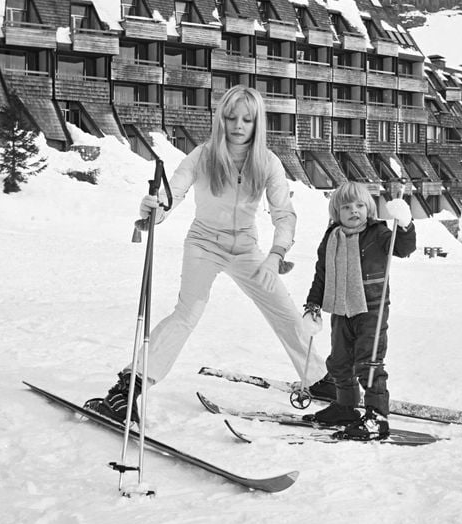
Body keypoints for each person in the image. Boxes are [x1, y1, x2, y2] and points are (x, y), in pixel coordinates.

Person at [90, 85, 326, 424]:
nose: (238, 125)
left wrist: (276, 254)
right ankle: (126, 391)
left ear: (257, 122)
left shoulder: (268, 162)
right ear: (221, 119)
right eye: (231, 117)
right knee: (187, 313)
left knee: (284, 310)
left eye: (247, 119)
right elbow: (175, 192)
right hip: (204, 243)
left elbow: (284, 214)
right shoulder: (202, 155)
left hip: (246, 246)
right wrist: (156, 211)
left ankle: (319, 378)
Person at [300, 181, 416, 438]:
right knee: (339, 361)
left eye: (360, 205)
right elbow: (322, 274)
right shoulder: (332, 237)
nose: (354, 211)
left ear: (369, 208)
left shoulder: (379, 233)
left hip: (371, 307)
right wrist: (313, 305)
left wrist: (405, 224)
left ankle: (377, 417)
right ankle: (345, 406)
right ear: (336, 213)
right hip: (341, 308)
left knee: (369, 362)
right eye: (347, 207)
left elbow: (404, 248)